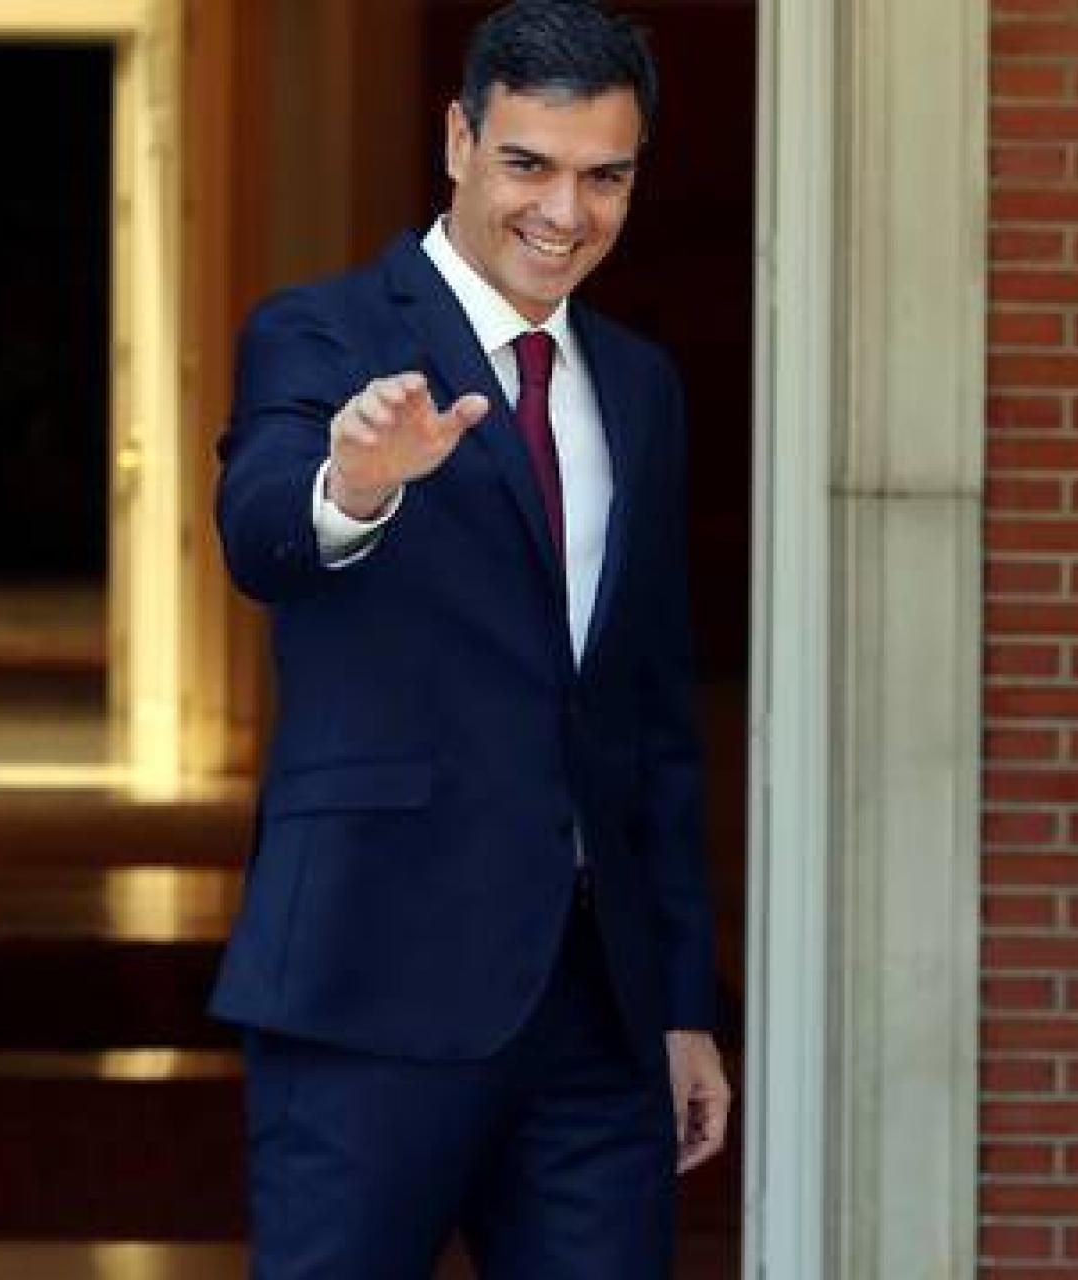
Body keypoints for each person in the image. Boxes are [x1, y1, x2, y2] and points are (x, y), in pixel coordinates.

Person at [208, 2, 730, 1275]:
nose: (565, 211)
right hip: (368, 982)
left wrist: (677, 1004)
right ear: (457, 138)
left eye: (604, 175)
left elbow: (648, 715)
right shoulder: (323, 333)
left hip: (594, 1018)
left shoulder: (640, 386)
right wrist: (357, 485)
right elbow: (261, 530)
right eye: (529, 164)